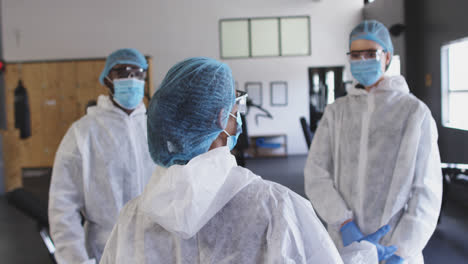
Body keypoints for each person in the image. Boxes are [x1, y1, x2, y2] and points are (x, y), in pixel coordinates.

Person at [99, 57, 344, 264]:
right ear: (220, 119)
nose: (237, 121)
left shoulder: (130, 219)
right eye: (235, 110)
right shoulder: (276, 207)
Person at [304, 20, 442, 264]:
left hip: (394, 247)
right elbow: (316, 174)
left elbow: (426, 191)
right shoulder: (336, 112)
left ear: (387, 57)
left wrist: (400, 250)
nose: (362, 59)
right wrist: (343, 222)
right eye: (356, 54)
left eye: (370, 53)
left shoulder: (414, 113)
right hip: (344, 243)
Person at [48, 48, 156, 264]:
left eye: (138, 73)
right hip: (106, 250)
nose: (132, 79)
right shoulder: (83, 132)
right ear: (107, 79)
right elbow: (63, 205)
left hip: (156, 247)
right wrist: (75, 259)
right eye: (123, 72)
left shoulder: (155, 127)